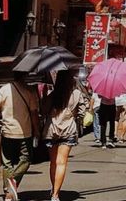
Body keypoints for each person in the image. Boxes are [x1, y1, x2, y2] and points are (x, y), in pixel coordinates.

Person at [0, 72, 40, 201]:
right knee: (26, 159)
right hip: (25, 132)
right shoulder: (30, 91)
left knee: (7, 163)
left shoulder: (4, 89)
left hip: (8, 131)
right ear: (25, 76)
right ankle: (12, 183)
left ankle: (8, 191)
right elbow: (34, 113)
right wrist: (37, 130)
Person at [42, 71, 87, 201]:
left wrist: (45, 96)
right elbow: (82, 112)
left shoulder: (53, 95)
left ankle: (53, 188)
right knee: (62, 163)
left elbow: (44, 110)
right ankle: (55, 194)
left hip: (52, 130)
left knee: (53, 163)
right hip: (68, 130)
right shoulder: (77, 94)